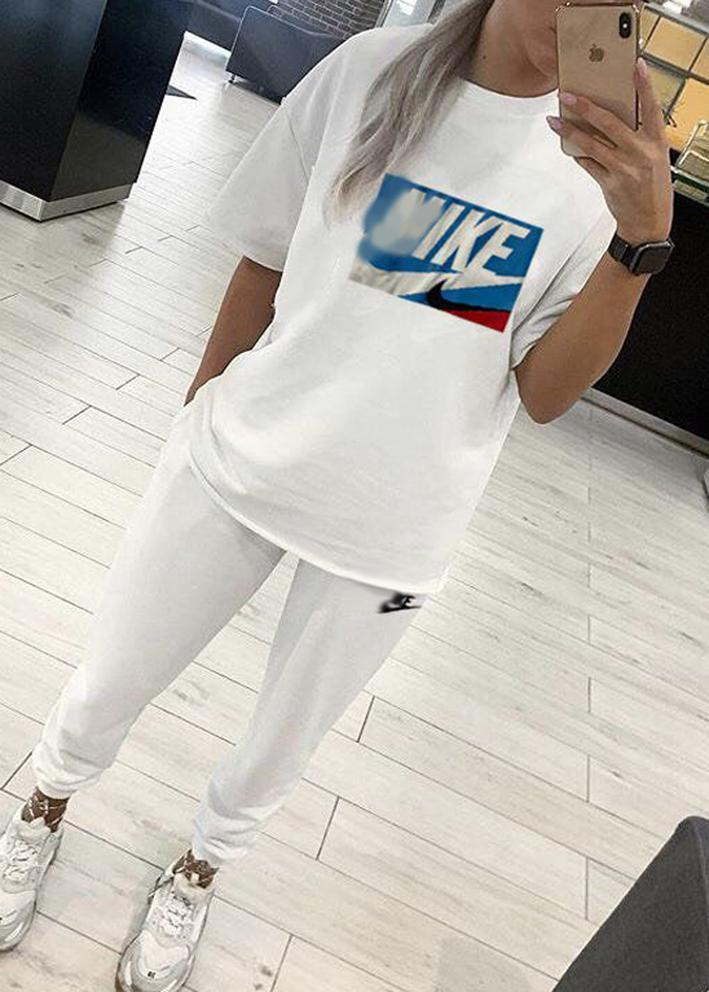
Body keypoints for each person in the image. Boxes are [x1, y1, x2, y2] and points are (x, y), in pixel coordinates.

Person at [0, 0, 673, 988]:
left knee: (286, 735)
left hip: (397, 523)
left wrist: (636, 244)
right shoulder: (369, 74)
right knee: (113, 669)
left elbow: (544, 393)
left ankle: (201, 867)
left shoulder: (602, 169)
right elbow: (264, 252)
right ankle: (42, 805)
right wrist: (199, 411)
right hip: (246, 453)